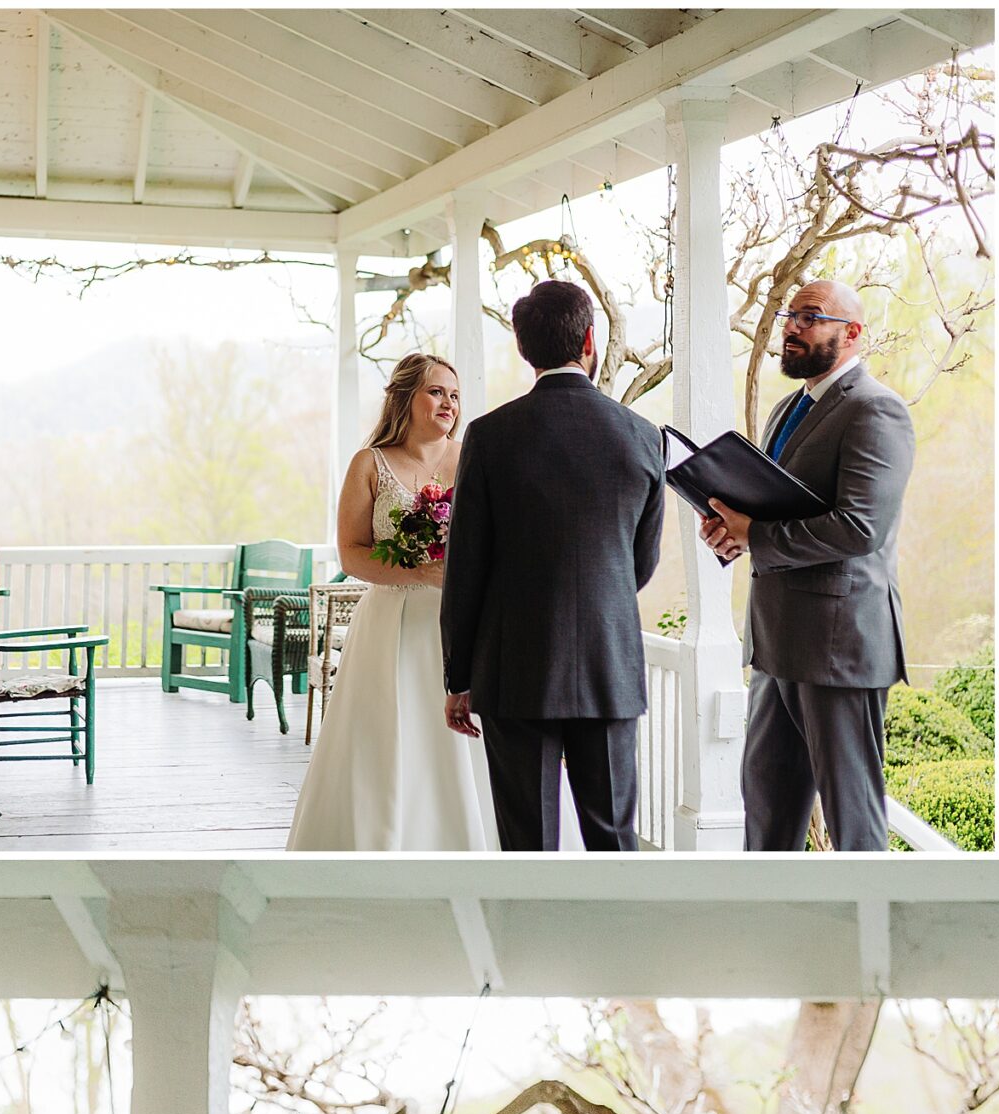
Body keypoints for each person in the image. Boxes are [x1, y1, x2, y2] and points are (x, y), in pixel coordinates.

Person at [439, 280, 666, 851]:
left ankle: (531, 942)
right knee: (614, 838)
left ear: (523, 349)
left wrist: (459, 678)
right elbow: (641, 563)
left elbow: (465, 567)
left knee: (528, 843)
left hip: (514, 669)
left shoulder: (489, 436)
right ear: (590, 341)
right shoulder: (642, 435)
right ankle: (620, 941)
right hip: (609, 665)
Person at [698, 280, 914, 852]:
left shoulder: (877, 410)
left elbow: (861, 528)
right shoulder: (785, 409)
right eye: (790, 315)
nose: (791, 326)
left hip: (838, 647)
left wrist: (759, 535)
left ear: (852, 334)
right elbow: (774, 508)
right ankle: (770, 932)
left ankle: (871, 937)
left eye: (810, 316)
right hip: (775, 642)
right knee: (766, 808)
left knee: (853, 818)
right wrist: (734, 532)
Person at [287, 353, 499, 852]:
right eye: (435, 391)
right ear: (406, 397)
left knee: (458, 744)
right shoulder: (370, 463)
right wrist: (419, 569)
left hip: (459, 622)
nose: (448, 402)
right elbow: (352, 554)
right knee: (385, 737)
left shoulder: (473, 458)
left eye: (454, 394)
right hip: (392, 625)